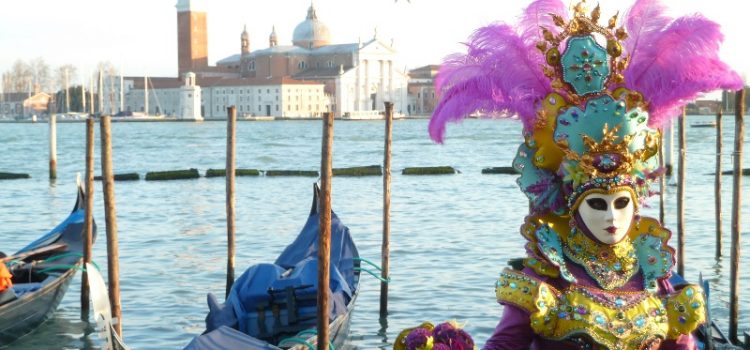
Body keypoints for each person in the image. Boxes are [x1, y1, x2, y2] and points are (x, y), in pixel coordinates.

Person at [426, 0, 743, 349]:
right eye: (597, 203)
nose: (611, 216)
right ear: (573, 205)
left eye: (622, 202)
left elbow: (679, 345)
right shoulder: (547, 273)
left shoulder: (654, 272)